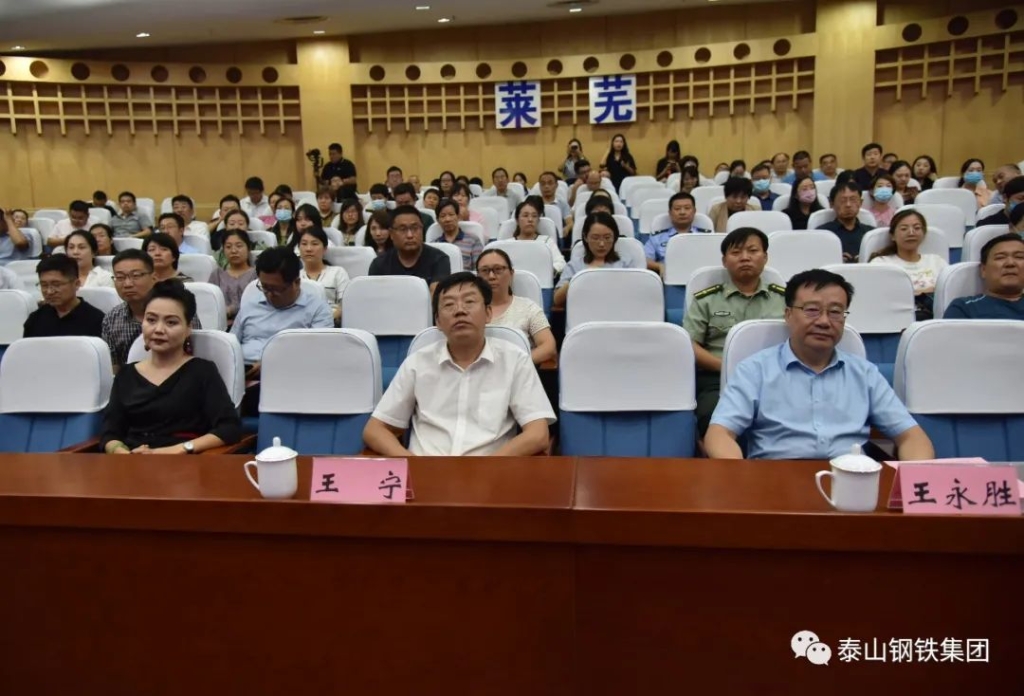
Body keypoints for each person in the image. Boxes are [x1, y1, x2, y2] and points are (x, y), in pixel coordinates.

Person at [706, 268, 935, 460]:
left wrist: (914, 481)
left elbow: (911, 437)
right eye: (812, 310)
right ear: (788, 314)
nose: (824, 321)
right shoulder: (755, 370)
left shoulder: (864, 373)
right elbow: (719, 434)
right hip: (776, 479)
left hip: (851, 481)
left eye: (835, 312)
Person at [363, 272, 555, 456]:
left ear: (488, 313)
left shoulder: (515, 360)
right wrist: (412, 464)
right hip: (425, 468)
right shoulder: (417, 362)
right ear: (438, 321)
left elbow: (538, 434)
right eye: (449, 305)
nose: (460, 310)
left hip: (490, 471)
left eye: (469, 302)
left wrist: (487, 467)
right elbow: (375, 430)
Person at [100, 281, 241, 455]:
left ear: (188, 329)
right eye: (151, 320)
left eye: (171, 322)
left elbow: (229, 428)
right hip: (132, 461)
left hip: (183, 461)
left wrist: (175, 450)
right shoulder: (126, 375)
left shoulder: (202, 371)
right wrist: (121, 452)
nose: (159, 329)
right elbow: (110, 433)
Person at [683, 228, 786, 435]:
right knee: (711, 417)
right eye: (736, 252)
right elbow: (689, 344)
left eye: (752, 251)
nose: (745, 257)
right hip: (718, 377)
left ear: (765, 257)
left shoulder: (785, 299)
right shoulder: (706, 299)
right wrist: (726, 367)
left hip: (775, 376)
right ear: (724, 261)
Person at [231, 246, 334, 376]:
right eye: (265, 287)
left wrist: (272, 364)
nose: (269, 294)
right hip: (243, 373)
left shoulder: (317, 310)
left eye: (276, 289)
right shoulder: (250, 305)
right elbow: (230, 344)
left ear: (296, 283)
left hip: (290, 375)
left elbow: (320, 353)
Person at [102, 249, 202, 369]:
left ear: (154, 277)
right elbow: (113, 368)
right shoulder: (112, 319)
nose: (127, 284)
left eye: (136, 276)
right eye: (120, 277)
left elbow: (196, 354)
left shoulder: (178, 311)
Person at [476, 249, 557, 366]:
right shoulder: (468, 309)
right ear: (477, 276)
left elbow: (548, 346)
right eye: (485, 270)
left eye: (498, 269)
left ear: (511, 273)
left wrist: (515, 365)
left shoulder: (528, 307)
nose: (491, 276)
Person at [869, 209, 947, 319]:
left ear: (924, 234)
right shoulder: (880, 263)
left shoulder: (937, 262)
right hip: (894, 319)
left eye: (917, 228)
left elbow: (947, 294)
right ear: (893, 236)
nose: (911, 232)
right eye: (904, 229)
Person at [553, 212, 629, 308]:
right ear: (585, 237)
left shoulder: (624, 265)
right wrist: (579, 278)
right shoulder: (575, 266)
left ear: (614, 237)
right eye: (595, 238)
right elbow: (557, 299)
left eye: (607, 238)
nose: (601, 244)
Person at [369, 205, 451, 292]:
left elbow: (436, 296)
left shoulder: (439, 259)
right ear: (391, 234)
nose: (410, 235)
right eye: (403, 229)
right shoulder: (379, 265)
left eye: (415, 228)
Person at [22, 254, 105, 338]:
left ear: (76, 284)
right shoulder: (35, 320)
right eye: (44, 285)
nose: (49, 291)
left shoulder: (97, 321)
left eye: (56, 285)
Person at [943, 234, 1024, 319]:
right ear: (983, 270)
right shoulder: (964, 308)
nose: (1010, 263)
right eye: (1000, 258)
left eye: (1019, 257)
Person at [644, 192, 712, 274]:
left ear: (694, 211)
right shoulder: (657, 237)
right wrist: (659, 266)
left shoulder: (706, 236)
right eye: (677, 209)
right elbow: (645, 259)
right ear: (670, 213)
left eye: (687, 208)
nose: (682, 212)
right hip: (669, 278)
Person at [294, 225, 348, 324]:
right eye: (304, 244)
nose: (308, 249)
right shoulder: (294, 277)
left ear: (325, 248)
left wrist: (325, 320)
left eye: (314, 244)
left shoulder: (337, 272)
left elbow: (345, 305)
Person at [210, 228, 257, 322]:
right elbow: (209, 303)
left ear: (248, 248)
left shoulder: (257, 274)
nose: (234, 251)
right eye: (228, 247)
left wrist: (231, 310)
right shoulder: (217, 275)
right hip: (221, 325)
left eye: (239, 246)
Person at [820, 181, 872, 262]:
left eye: (853, 200)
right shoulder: (822, 233)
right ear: (831, 204)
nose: (848, 205)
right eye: (843, 200)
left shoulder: (871, 233)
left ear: (861, 203)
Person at [512, 199, 564, 275]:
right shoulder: (508, 243)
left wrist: (548, 271)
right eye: (525, 216)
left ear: (538, 220)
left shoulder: (547, 241)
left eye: (534, 216)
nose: (530, 220)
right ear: (517, 220)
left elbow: (561, 263)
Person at [436, 198, 483, 271]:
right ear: (438, 220)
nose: (447, 219)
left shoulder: (473, 240)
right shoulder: (434, 244)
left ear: (458, 217)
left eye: (451, 215)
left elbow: (479, 270)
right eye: (443, 216)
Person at [537, 171, 573, 241]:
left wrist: (567, 228)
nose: (546, 186)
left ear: (556, 185)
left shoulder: (562, 203)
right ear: (539, 186)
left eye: (550, 183)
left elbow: (570, 222)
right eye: (543, 184)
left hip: (557, 238)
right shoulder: (534, 203)